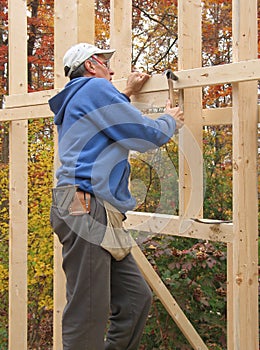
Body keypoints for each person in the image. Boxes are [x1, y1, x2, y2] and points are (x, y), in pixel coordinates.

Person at [48, 42, 184, 350]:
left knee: (135, 299)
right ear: (92, 65)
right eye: (106, 64)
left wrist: (124, 93)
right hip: (84, 205)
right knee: (89, 310)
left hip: (95, 209)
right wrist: (170, 122)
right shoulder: (93, 88)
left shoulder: (82, 97)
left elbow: (106, 123)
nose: (111, 71)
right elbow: (142, 135)